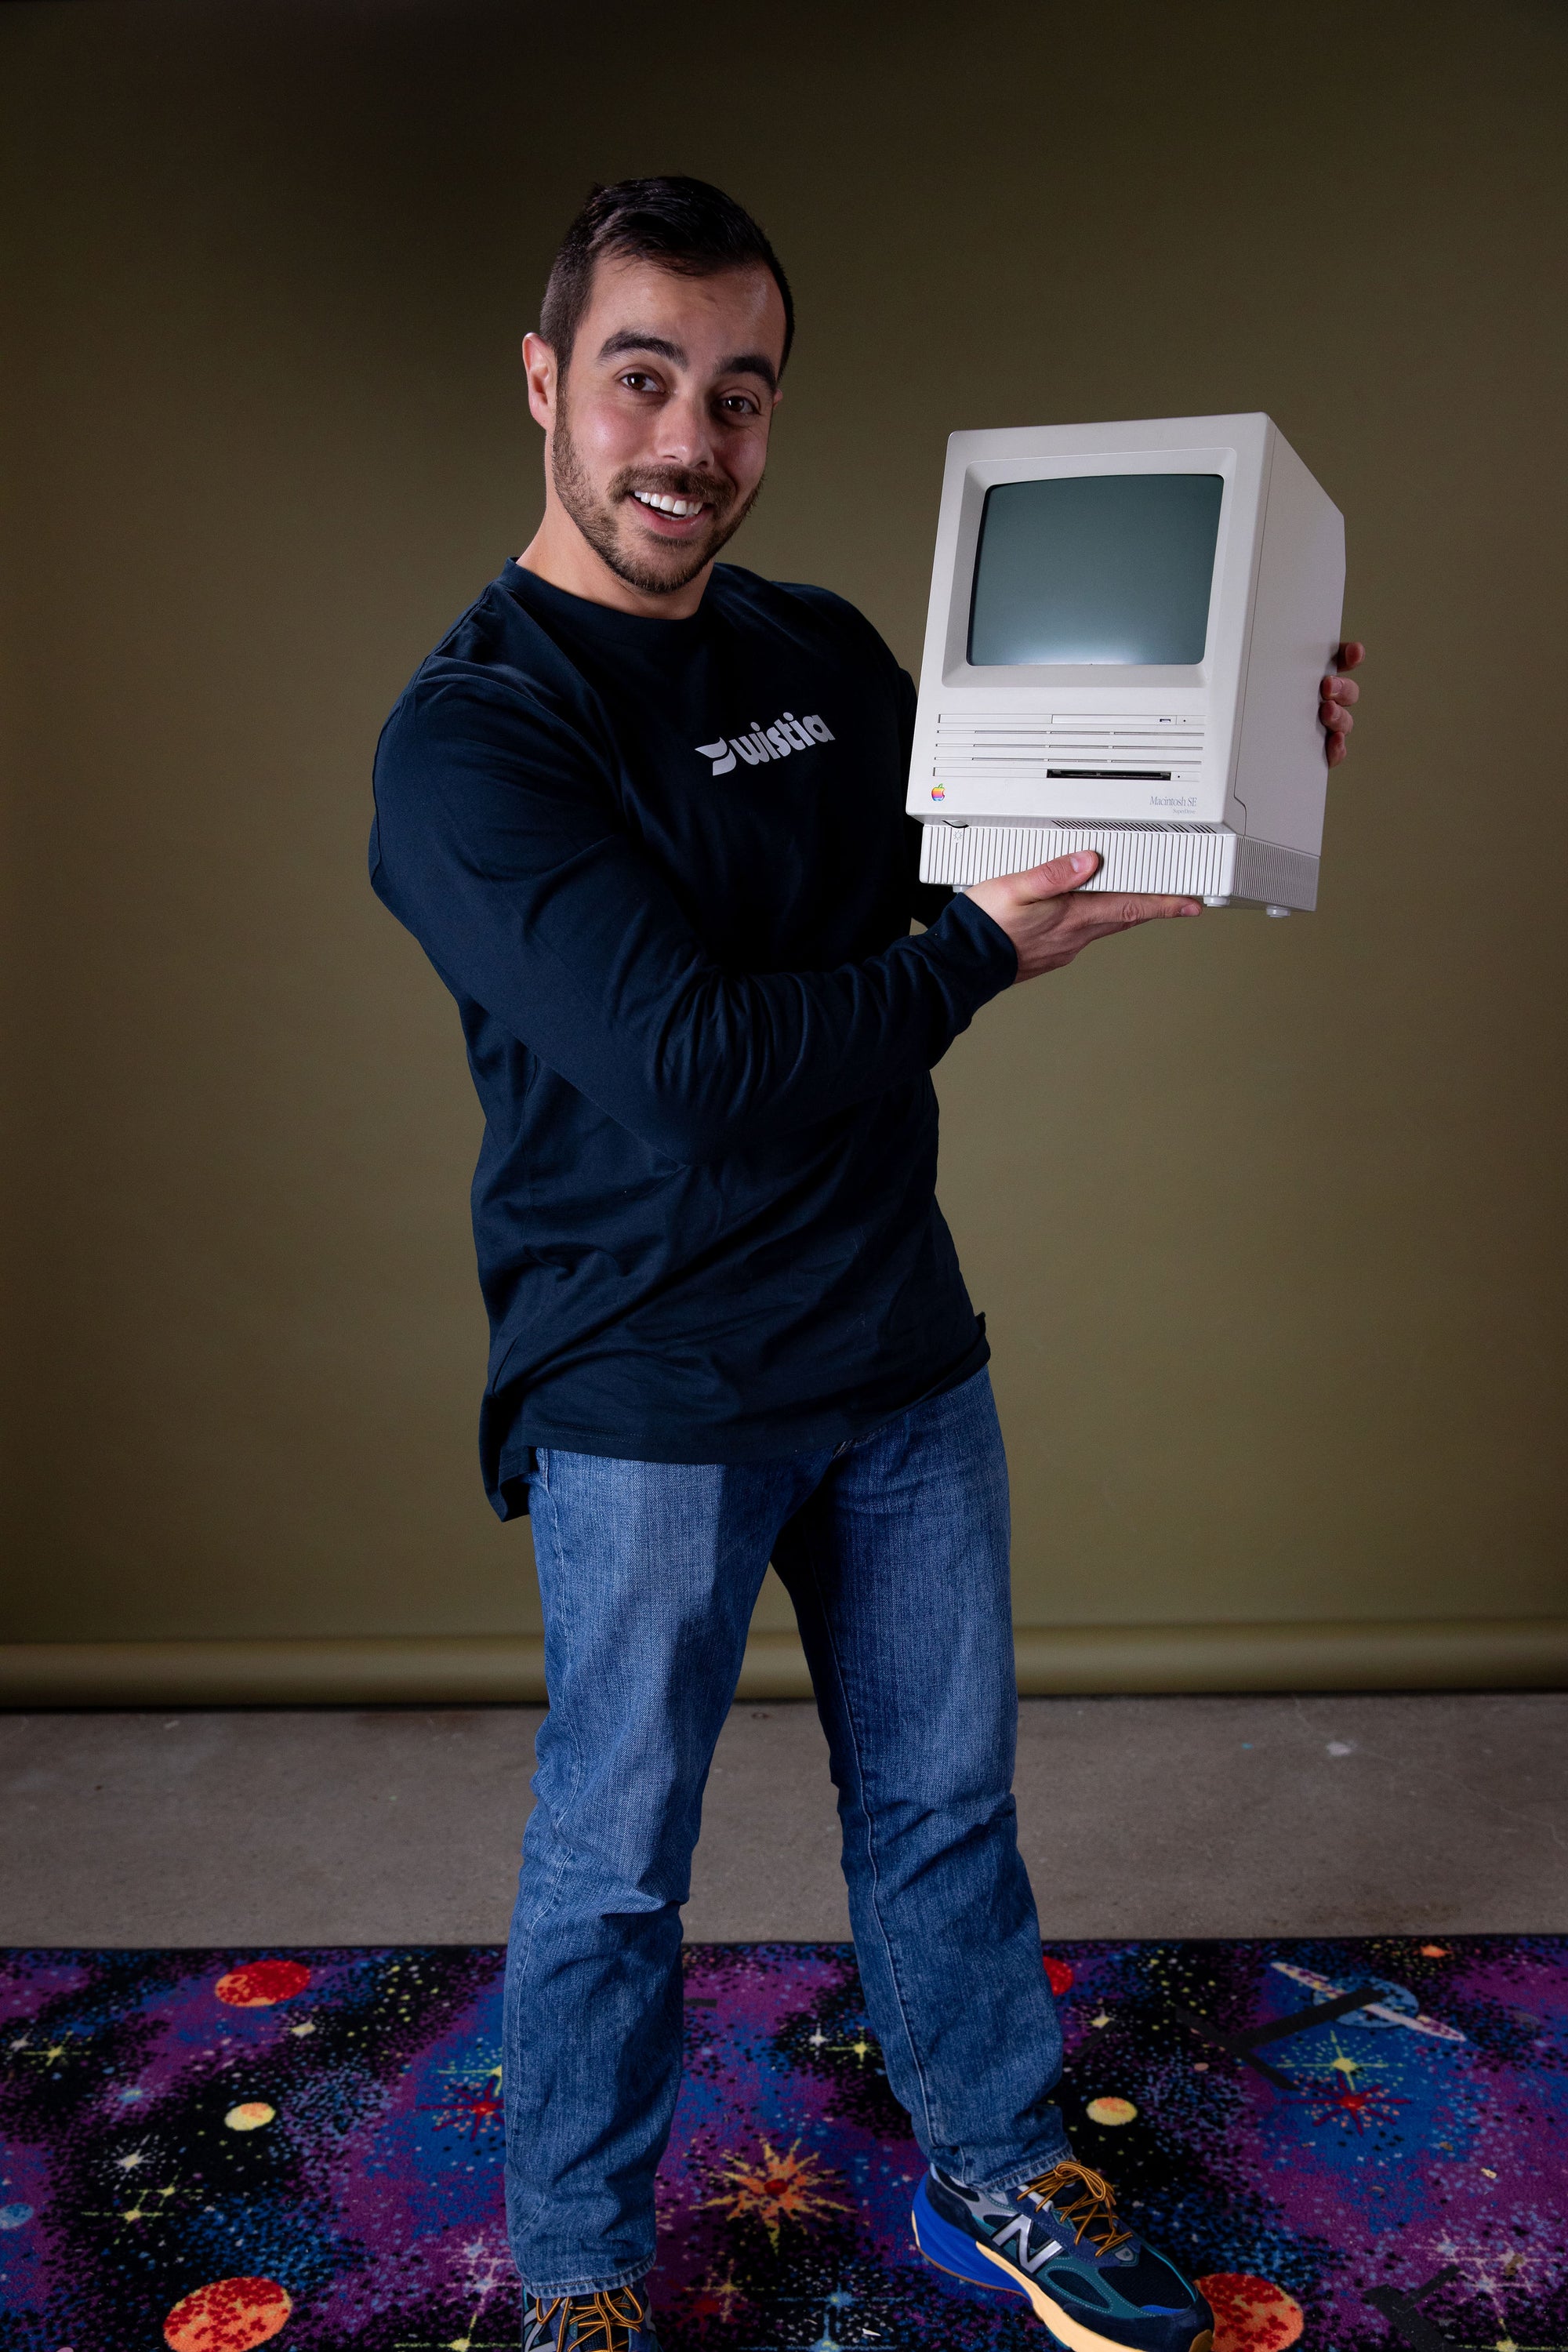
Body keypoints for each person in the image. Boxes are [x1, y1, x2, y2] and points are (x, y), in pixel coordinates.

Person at [369, 176, 1363, 2352]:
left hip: (895, 1344)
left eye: (738, 394)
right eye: (642, 377)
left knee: (942, 1812)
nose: (687, 440)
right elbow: (705, 1067)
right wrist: (966, 952)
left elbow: (1000, 853)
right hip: (651, 1384)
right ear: (547, 384)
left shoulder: (814, 651)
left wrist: (1252, 746)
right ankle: (575, 2274)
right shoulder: (474, 738)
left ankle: (1000, 2170)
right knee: (620, 1864)